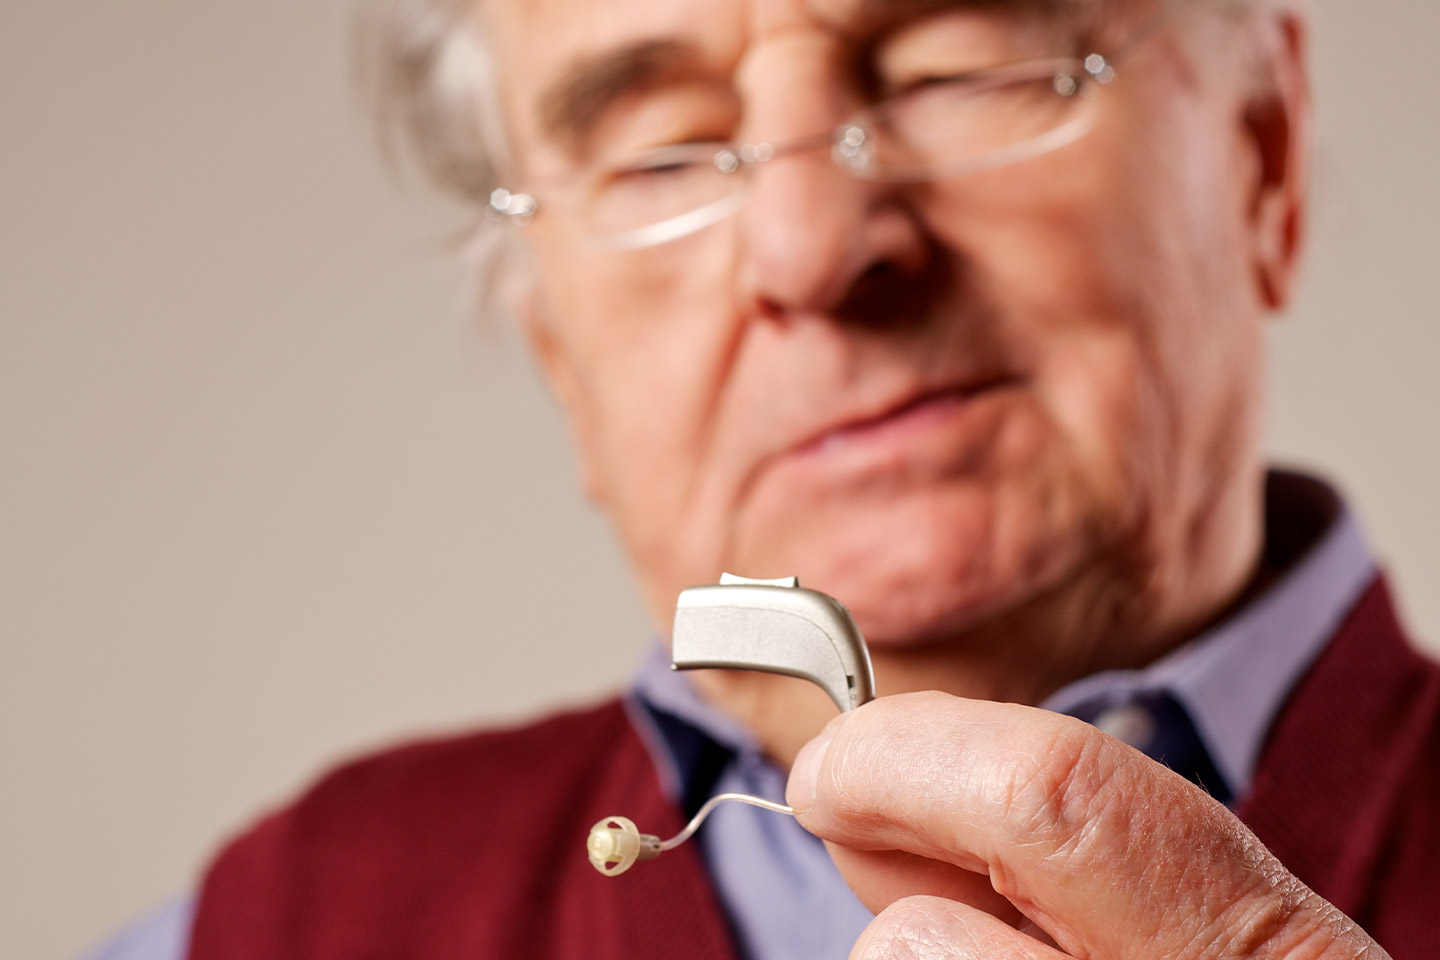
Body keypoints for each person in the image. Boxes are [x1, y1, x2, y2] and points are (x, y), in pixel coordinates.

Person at [92, 0, 1439, 957]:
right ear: (559, 350)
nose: (808, 246)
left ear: (1262, 154)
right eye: (664, 153)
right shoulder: (293, 921)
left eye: (949, 66)